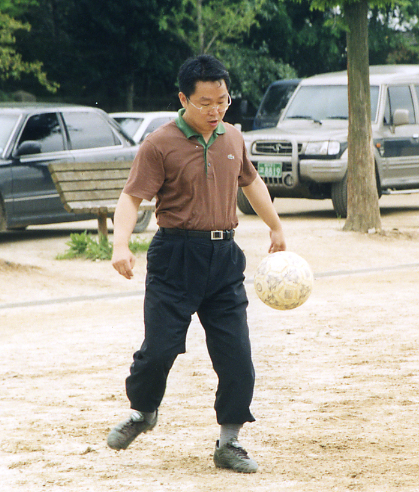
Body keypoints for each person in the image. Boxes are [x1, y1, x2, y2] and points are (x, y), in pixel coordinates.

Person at [107, 54, 286, 473]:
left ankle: (229, 442)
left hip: (225, 259)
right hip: (175, 258)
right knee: (158, 351)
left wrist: (276, 226)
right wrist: (120, 245)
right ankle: (143, 412)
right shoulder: (159, 144)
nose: (215, 110)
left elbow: (252, 182)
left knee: (237, 356)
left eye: (222, 101)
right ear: (184, 99)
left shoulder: (233, 137)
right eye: (205, 102)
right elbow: (131, 197)